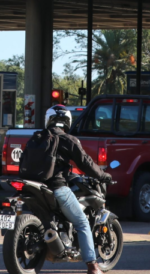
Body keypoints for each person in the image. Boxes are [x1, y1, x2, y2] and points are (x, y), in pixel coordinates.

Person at [43, 105, 112, 274]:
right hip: (56, 186)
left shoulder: (37, 137)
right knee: (81, 222)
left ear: (48, 120)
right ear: (67, 121)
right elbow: (86, 163)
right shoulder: (68, 139)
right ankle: (93, 266)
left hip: (35, 185)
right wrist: (103, 175)